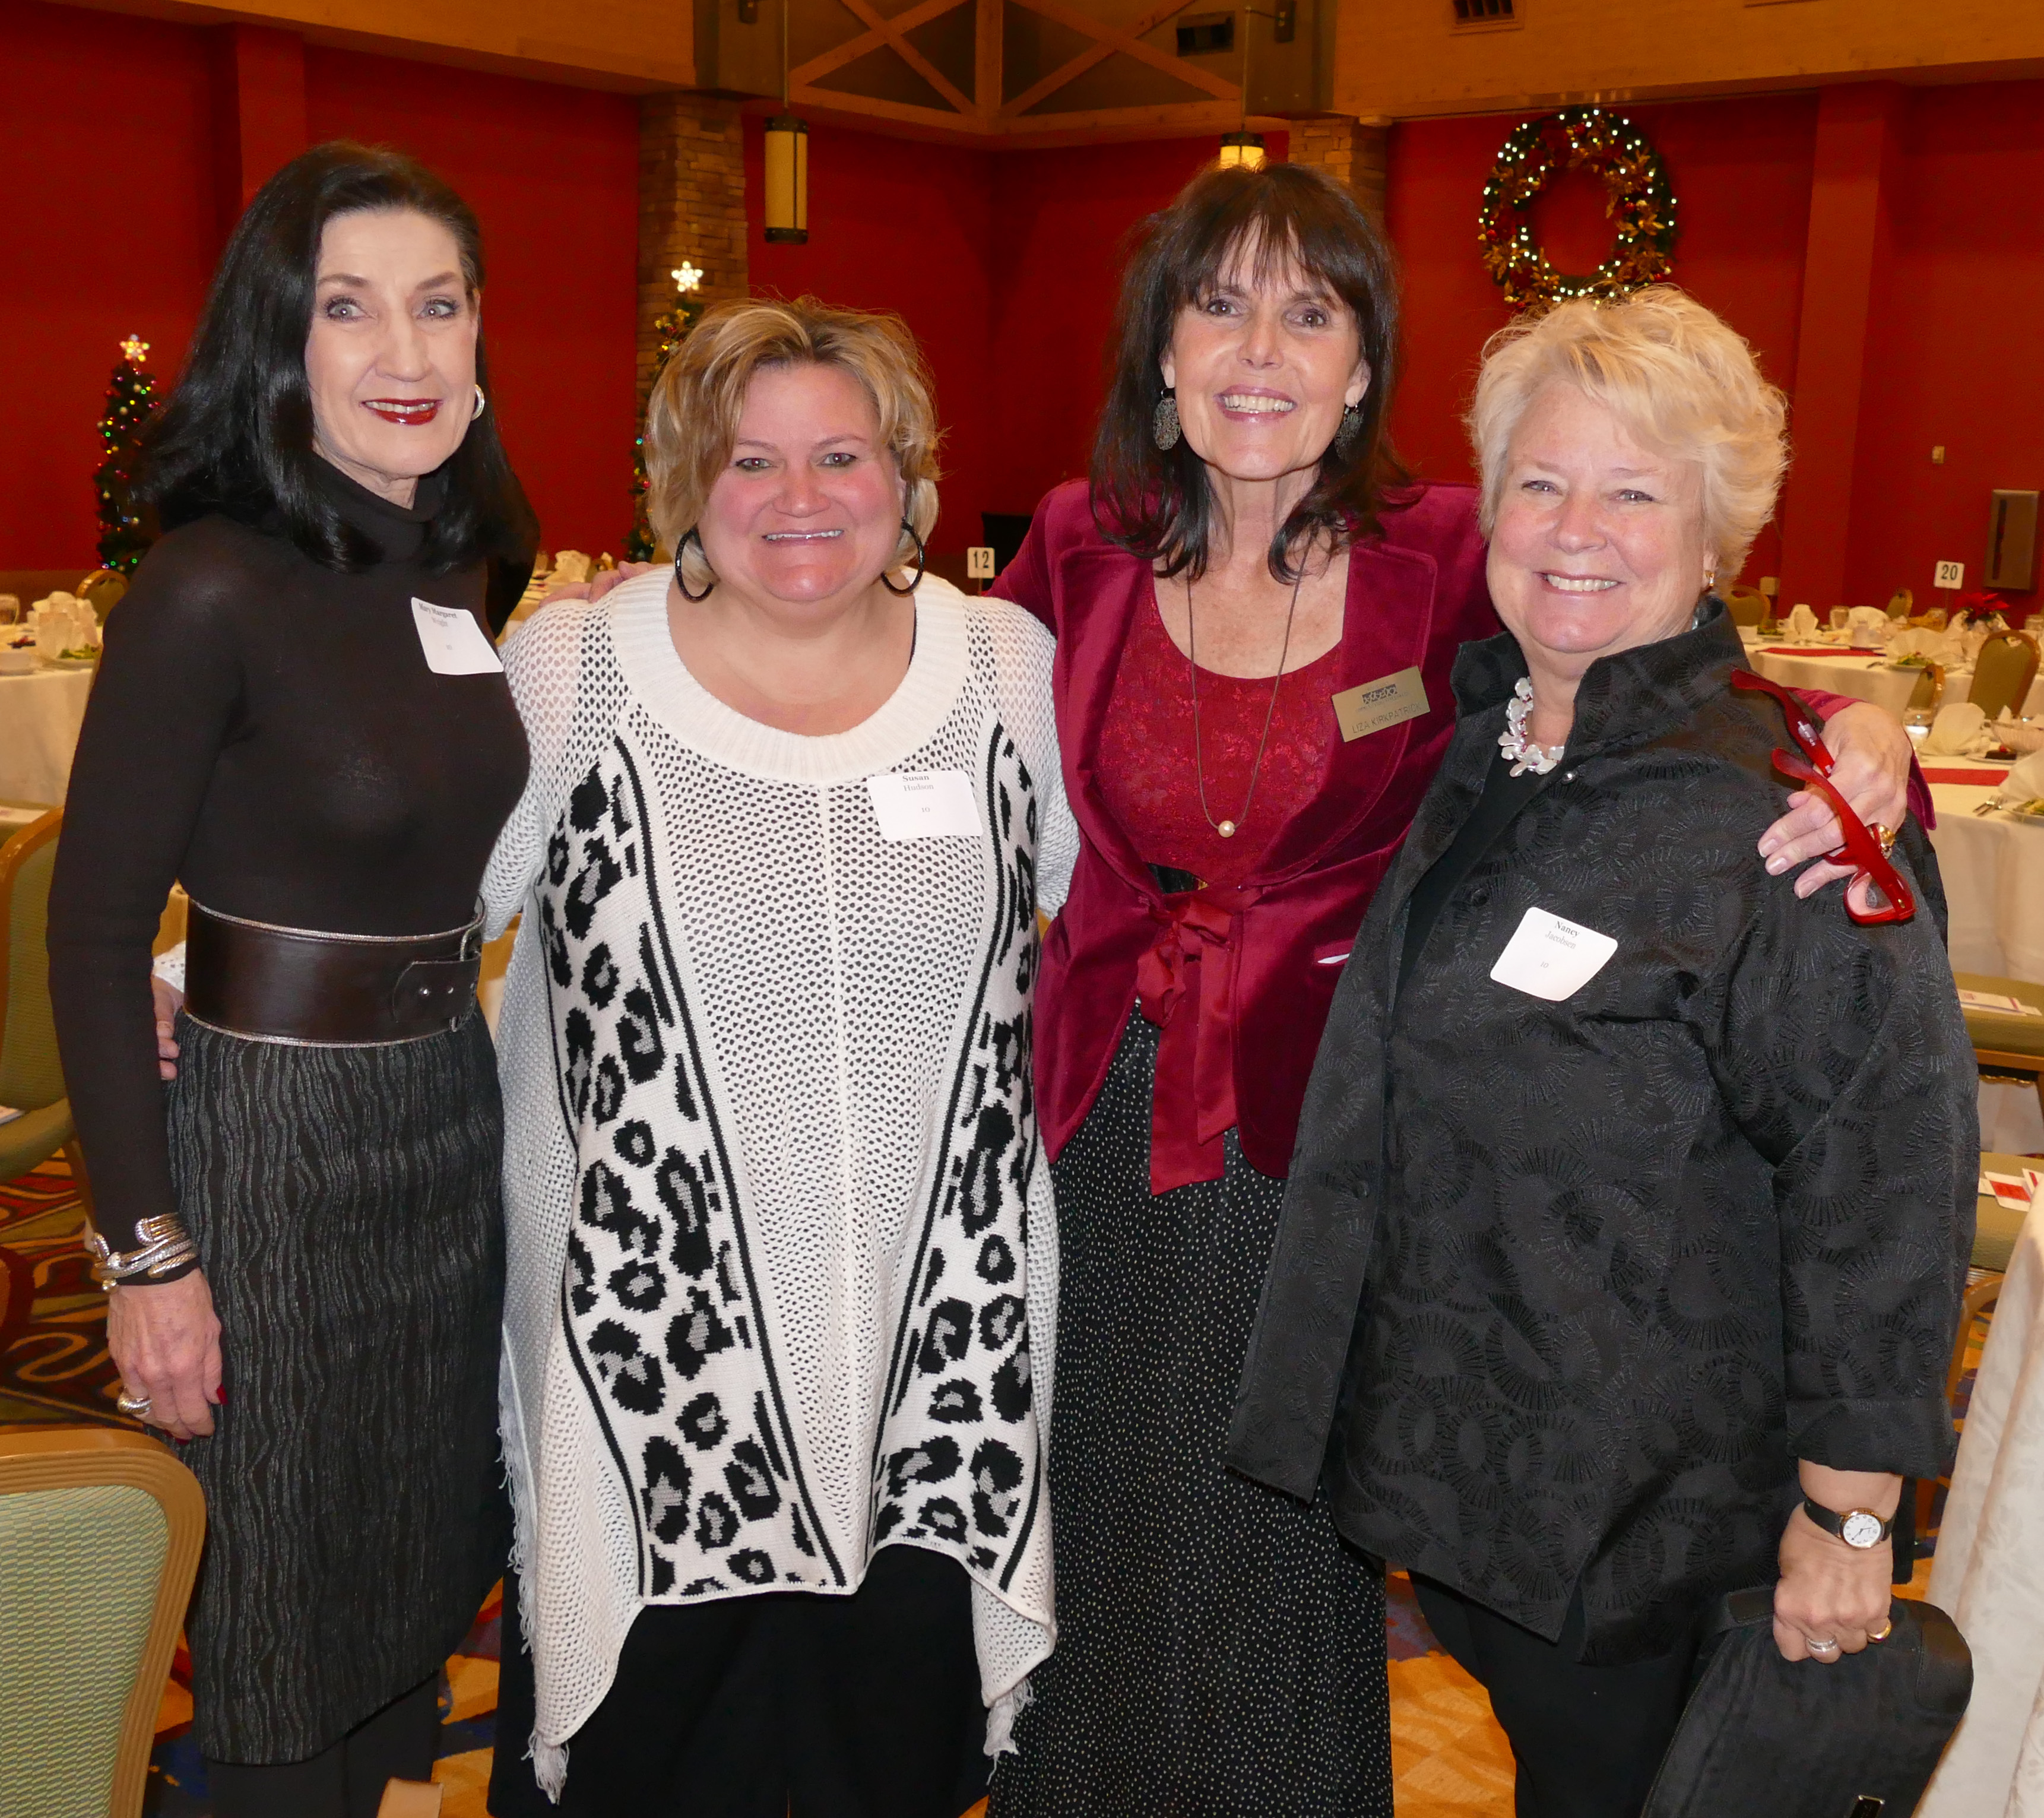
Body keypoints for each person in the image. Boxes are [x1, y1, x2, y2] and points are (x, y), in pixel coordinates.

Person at [981, 161, 1923, 1816]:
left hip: (1322, 1161)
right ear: (1159, 353)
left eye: (1310, 309)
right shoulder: (1080, 546)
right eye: (1217, 304)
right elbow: (913, 696)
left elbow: (1652, 618)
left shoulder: (1432, 552)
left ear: (1362, 368)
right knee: (1100, 1537)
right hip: (1112, 1138)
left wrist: (1853, 739)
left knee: (1279, 1584)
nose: (1260, 348)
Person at [1230, 286, 1973, 1818]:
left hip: (1658, 1528)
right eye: (1542, 483)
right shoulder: (1490, 738)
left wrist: (1849, 1515)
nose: (1578, 528)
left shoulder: (1780, 812)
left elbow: (1887, 1158)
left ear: (1716, 541)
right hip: (1492, 1492)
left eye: (1637, 493)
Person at [479, 296, 1073, 1816]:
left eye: (840, 456)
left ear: (908, 480)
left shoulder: (1006, 668)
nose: (799, 499)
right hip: (657, 1383)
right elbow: (418, 899)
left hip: (930, 1370)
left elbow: (1092, 911)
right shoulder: (577, 673)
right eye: (750, 461)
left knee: (886, 1766)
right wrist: (181, 973)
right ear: (688, 479)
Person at [46, 144, 536, 1817]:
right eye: (349, 307)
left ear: (478, 342)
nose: (403, 351)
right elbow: (95, 929)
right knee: (273, 1604)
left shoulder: (462, 571)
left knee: (405, 1568)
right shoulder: (204, 587)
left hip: (441, 1126)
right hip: (269, 1151)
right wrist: (145, 1249)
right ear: (280, 340)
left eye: (437, 304)